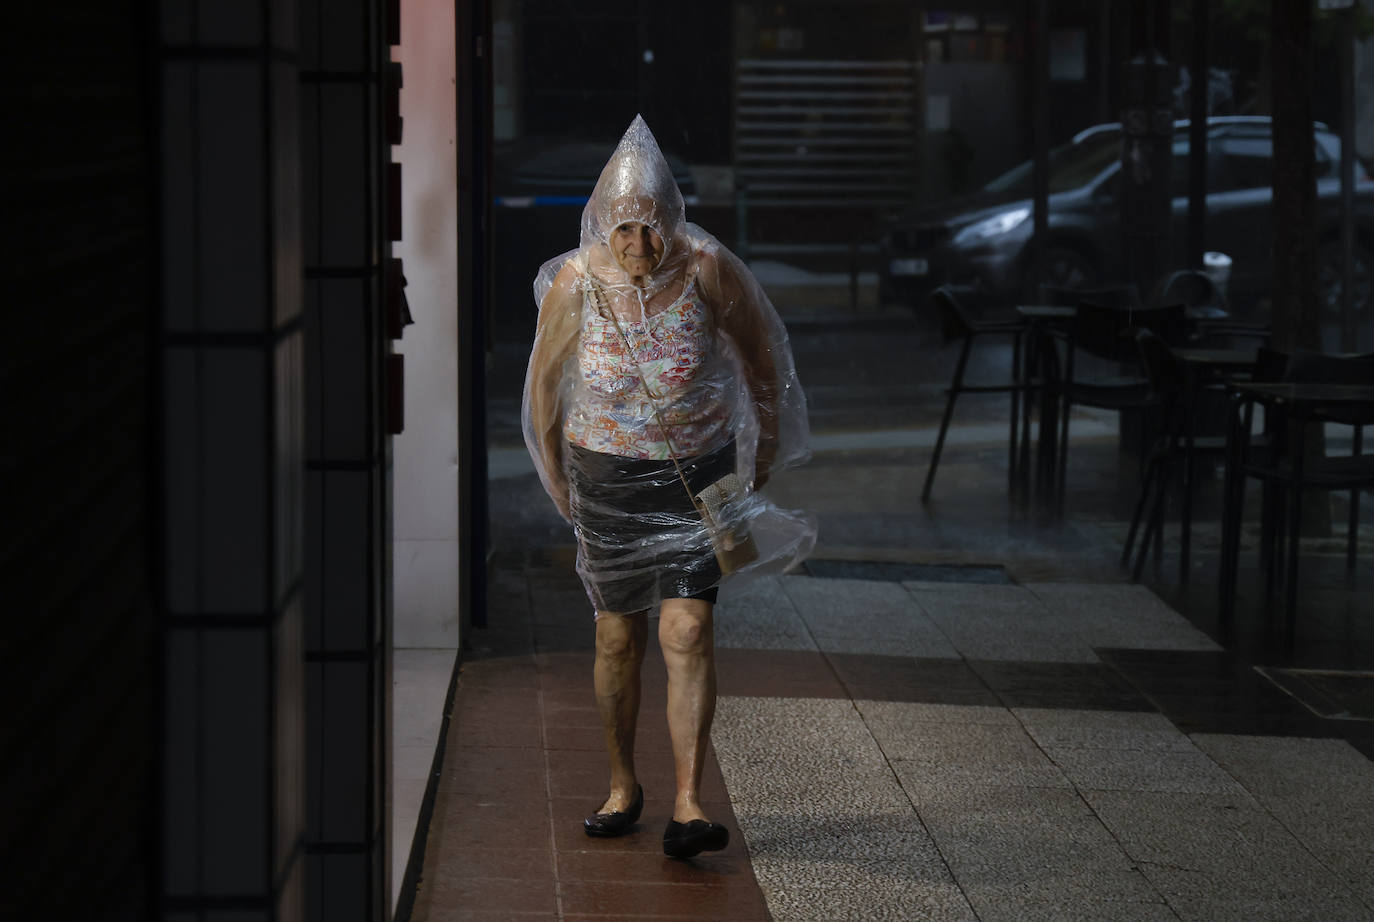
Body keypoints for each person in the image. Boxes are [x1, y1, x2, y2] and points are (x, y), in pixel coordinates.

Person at [523, 116, 814, 859]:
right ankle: (623, 785)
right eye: (624, 229)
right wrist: (555, 473)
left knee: (686, 630)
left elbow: (762, 360)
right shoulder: (575, 282)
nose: (639, 246)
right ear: (602, 223)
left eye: (651, 229)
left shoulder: (708, 268)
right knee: (617, 637)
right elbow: (545, 388)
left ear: (672, 220)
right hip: (606, 478)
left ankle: (688, 801)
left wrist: (763, 448)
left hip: (697, 474)